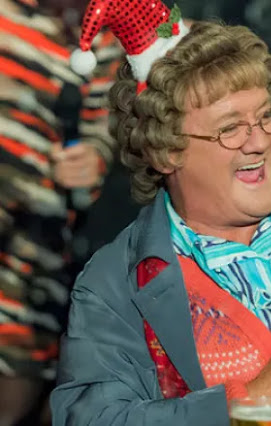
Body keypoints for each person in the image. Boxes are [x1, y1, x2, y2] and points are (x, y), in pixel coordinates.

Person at [50, 0, 271, 424]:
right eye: (230, 128)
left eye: (265, 117)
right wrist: (252, 399)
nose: (259, 142)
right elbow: (93, 419)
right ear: (165, 150)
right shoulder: (114, 285)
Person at [0, 0, 120, 423]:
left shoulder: (105, 35)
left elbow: (103, 130)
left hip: (35, 246)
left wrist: (93, 158)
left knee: (18, 386)